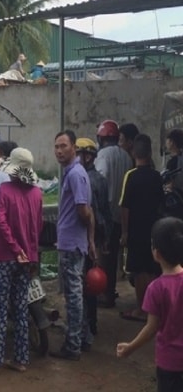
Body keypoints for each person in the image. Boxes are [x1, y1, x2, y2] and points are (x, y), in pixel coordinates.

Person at [0, 148, 43, 375]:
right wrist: (31, 255)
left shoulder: (4, 190)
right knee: (21, 308)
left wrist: (15, 248)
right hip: (27, 259)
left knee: (0, 308)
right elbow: (37, 227)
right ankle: (21, 359)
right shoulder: (37, 193)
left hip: (4, 257)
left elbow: (1, 223)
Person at [117, 217, 183, 392]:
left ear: (157, 253)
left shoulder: (156, 288)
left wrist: (130, 347)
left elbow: (151, 328)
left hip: (169, 363)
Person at [50, 130, 96, 361]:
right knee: (76, 293)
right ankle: (84, 338)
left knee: (73, 295)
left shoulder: (76, 175)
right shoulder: (74, 173)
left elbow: (84, 209)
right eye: (56, 146)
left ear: (74, 148)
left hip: (71, 243)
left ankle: (73, 344)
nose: (59, 150)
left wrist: (88, 234)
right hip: (73, 241)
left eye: (63, 146)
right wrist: (90, 237)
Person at [119, 134, 164, 322]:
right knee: (152, 268)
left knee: (138, 271)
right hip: (154, 228)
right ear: (150, 152)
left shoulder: (131, 176)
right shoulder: (156, 177)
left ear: (133, 153)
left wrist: (125, 232)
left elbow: (124, 207)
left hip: (136, 230)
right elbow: (161, 204)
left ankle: (141, 310)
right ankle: (153, 309)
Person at [75, 138, 112, 338]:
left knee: (84, 283)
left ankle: (85, 328)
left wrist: (92, 239)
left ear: (87, 156)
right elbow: (106, 212)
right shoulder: (101, 179)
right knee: (91, 283)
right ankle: (92, 324)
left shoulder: (85, 180)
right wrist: (104, 240)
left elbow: (93, 213)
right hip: (96, 238)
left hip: (86, 238)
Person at [94, 119, 133, 308]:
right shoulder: (126, 155)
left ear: (101, 138)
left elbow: (100, 181)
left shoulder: (102, 156)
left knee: (103, 256)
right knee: (113, 257)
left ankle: (104, 294)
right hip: (121, 213)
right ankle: (109, 291)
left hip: (106, 213)